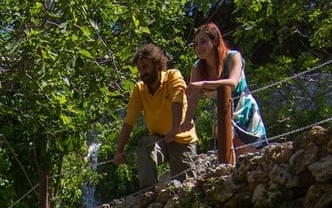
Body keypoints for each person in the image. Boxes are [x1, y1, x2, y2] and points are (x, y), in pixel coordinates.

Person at [112, 43, 198, 189]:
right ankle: (148, 193)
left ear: (157, 65)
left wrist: (175, 127)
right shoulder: (139, 89)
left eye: (145, 67)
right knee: (145, 145)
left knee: (186, 188)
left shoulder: (172, 76)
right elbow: (129, 121)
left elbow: (178, 99)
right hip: (160, 139)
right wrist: (119, 150)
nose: (142, 72)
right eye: (139, 69)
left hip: (182, 138)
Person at [182, 22, 267, 155]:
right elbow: (193, 97)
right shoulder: (197, 67)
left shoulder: (233, 56)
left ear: (215, 41)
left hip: (246, 112)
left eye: (203, 42)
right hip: (223, 114)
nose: (198, 47)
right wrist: (187, 120)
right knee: (227, 146)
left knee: (252, 157)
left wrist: (203, 84)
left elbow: (232, 82)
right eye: (196, 44)